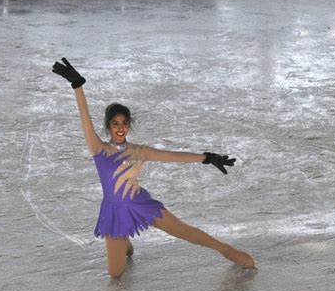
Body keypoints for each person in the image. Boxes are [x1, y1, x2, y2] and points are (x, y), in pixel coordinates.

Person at [53, 58, 255, 279]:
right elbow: (85, 119)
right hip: (115, 212)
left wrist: (207, 158)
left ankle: (226, 250)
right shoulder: (99, 149)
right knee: (116, 274)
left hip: (141, 203)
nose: (120, 128)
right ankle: (125, 242)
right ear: (109, 126)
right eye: (115, 124)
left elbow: (173, 156)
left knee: (186, 232)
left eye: (124, 123)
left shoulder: (139, 151)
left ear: (129, 125)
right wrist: (77, 86)